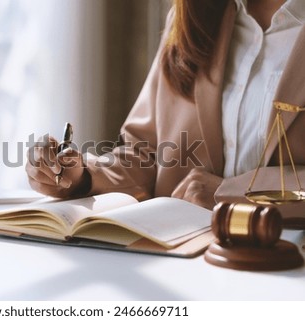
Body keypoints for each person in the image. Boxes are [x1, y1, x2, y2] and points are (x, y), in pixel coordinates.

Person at [25, 0, 305, 216]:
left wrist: (230, 193)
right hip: (180, 261)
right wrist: (81, 176)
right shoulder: (192, 19)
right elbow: (145, 154)